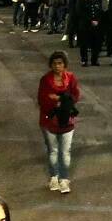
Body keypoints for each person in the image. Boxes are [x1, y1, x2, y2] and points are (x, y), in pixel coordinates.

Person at [38, 51, 80, 194]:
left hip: (67, 121)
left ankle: (64, 178)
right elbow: (42, 100)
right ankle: (54, 177)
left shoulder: (71, 78)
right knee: (53, 151)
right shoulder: (45, 80)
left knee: (65, 151)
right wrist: (55, 101)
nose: (57, 66)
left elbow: (76, 95)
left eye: (60, 63)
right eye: (55, 63)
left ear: (65, 64)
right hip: (49, 121)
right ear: (51, 65)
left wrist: (61, 99)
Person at [76, 0, 102, 67]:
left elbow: (99, 12)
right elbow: (80, 13)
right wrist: (91, 20)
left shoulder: (97, 0)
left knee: (96, 43)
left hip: (96, 25)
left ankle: (95, 59)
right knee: (84, 43)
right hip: (85, 25)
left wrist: (97, 20)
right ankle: (84, 60)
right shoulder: (82, 0)